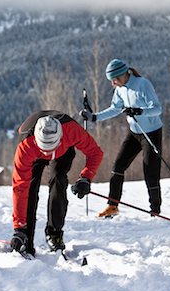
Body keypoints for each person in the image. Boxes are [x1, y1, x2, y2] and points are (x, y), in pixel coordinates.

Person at [10, 110, 103, 257]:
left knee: (58, 180)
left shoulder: (71, 130)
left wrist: (86, 177)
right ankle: (25, 239)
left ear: (59, 137)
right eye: (45, 148)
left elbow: (95, 152)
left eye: (51, 146)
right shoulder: (26, 146)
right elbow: (20, 189)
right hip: (35, 154)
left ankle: (55, 235)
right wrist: (19, 229)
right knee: (30, 189)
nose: (48, 154)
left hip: (63, 151)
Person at [80, 58, 163, 218]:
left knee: (150, 172)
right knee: (117, 167)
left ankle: (155, 211)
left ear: (123, 75)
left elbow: (157, 109)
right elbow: (115, 108)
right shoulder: (120, 89)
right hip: (134, 132)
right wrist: (94, 117)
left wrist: (140, 111)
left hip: (151, 133)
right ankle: (112, 206)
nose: (113, 83)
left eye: (115, 79)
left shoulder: (142, 84)